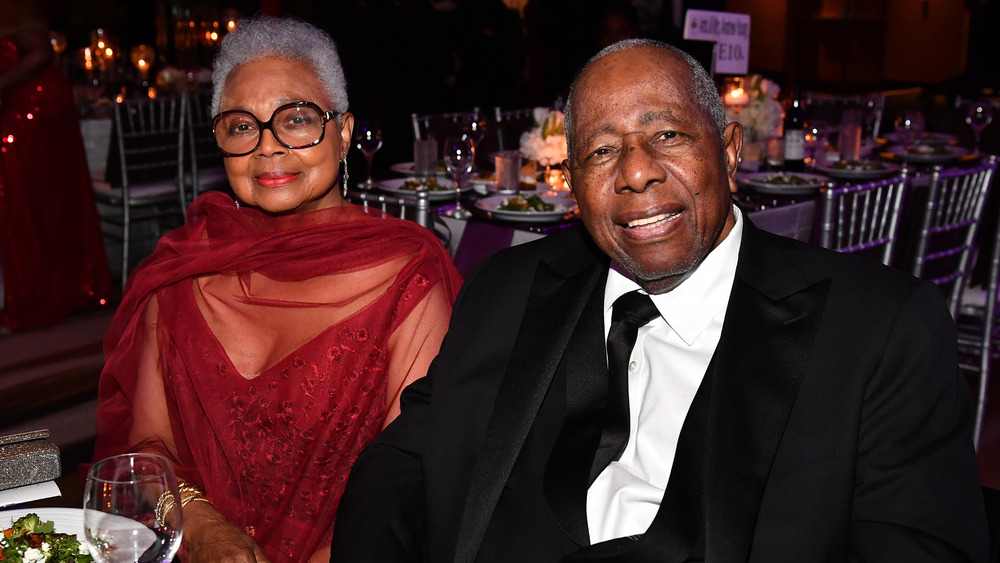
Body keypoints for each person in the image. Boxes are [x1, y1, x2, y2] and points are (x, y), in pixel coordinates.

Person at [331, 39, 989, 561]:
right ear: (573, 185)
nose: (637, 170)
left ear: (730, 153)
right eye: (600, 150)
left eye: (667, 135)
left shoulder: (878, 329)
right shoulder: (507, 288)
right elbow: (398, 469)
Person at [91, 16, 462, 563]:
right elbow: (148, 453)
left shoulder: (406, 276)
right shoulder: (182, 271)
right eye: (242, 126)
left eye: (296, 120)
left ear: (345, 131)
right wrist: (202, 525)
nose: (268, 148)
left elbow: (409, 486)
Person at [0, 0, 112, 331]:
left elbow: (42, 53)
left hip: (36, 105)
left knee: (31, 201)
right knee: (35, 203)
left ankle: (46, 297)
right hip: (20, 103)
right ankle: (48, 294)